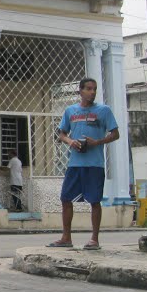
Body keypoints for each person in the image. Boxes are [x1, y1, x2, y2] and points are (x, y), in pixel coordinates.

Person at [48, 78, 119, 251]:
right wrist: (71, 142)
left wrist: (97, 142)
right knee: (66, 198)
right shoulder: (70, 111)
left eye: (94, 89)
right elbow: (62, 134)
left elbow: (115, 134)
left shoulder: (104, 111)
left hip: (95, 165)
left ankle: (94, 239)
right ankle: (66, 237)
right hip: (75, 164)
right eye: (88, 89)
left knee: (94, 201)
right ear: (80, 91)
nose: (92, 92)